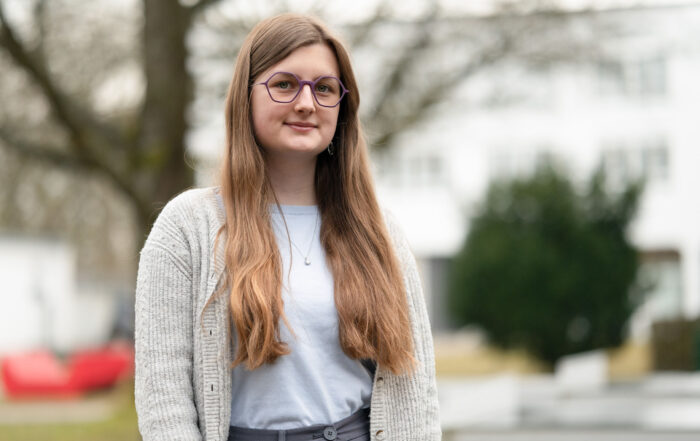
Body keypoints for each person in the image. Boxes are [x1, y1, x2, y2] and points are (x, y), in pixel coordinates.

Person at [134, 13, 440, 441]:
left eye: (325, 88)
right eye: (284, 84)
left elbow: (416, 388)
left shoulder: (379, 230)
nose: (306, 103)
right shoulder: (188, 227)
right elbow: (163, 396)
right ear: (246, 97)